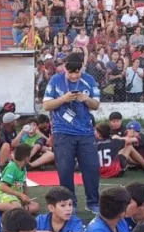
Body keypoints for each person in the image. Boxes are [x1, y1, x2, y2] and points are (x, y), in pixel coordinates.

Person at [42, 52, 102, 213]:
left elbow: (96, 105)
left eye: (77, 72)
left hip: (86, 131)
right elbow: (46, 105)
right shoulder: (56, 80)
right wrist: (63, 99)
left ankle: (93, 202)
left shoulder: (89, 80)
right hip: (62, 131)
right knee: (65, 169)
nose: (74, 76)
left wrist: (85, 99)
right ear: (65, 68)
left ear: (82, 67)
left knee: (91, 168)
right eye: (70, 72)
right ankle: (70, 203)